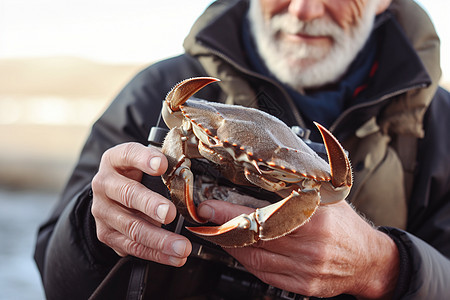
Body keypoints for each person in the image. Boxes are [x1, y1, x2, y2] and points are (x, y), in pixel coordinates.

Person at [34, 0, 450, 299]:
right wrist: (94, 226)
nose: (303, 9)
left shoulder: (441, 128)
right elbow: (56, 283)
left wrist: (388, 268)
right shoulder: (162, 95)